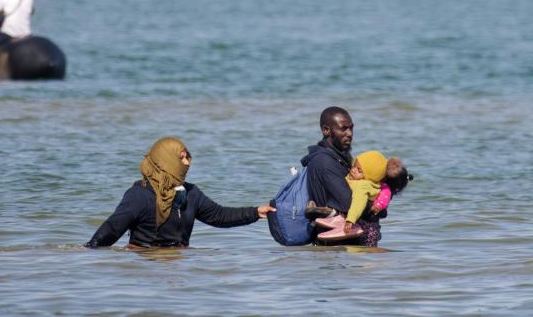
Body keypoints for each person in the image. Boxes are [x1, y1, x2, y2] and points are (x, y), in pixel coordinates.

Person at [85, 137, 275, 249]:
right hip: (144, 263)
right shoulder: (139, 195)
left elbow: (219, 216)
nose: (187, 163)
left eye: (187, 157)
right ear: (164, 161)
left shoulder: (191, 193)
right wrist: (88, 251)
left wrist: (256, 212)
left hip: (180, 264)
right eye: (180, 158)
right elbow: (112, 228)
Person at [300, 107, 386, 246]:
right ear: (326, 130)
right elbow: (349, 203)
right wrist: (379, 207)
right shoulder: (324, 162)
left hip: (345, 247)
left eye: (351, 128)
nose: (350, 134)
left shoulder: (339, 158)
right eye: (343, 129)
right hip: (336, 250)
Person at [314, 151, 411, 243]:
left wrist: (350, 220)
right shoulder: (357, 179)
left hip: (366, 227)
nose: (353, 170)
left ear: (370, 176)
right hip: (358, 219)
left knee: (366, 254)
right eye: (354, 166)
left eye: (359, 170)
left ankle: (344, 223)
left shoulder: (363, 186)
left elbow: (358, 203)